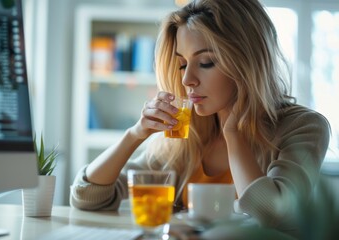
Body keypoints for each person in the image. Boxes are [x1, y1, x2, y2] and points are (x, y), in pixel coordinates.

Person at [70, 0, 330, 238]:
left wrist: (233, 134)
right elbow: (89, 196)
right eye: (183, 64)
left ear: (247, 62)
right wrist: (135, 134)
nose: (187, 80)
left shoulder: (303, 128)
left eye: (205, 62)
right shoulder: (187, 133)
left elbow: (273, 215)